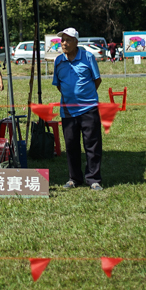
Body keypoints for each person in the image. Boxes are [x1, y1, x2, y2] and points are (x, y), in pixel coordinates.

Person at [52, 27, 103, 191]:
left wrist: (85, 97)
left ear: (76, 42)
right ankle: (74, 178)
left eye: (67, 40)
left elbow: (97, 80)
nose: (64, 43)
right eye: (62, 40)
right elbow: (58, 85)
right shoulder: (58, 61)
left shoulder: (88, 57)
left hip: (89, 108)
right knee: (71, 145)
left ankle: (93, 179)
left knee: (92, 145)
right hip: (67, 111)